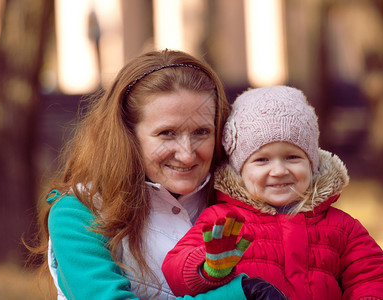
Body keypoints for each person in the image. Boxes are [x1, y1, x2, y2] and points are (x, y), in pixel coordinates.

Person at [34, 49, 281, 300]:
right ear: (128, 135)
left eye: (201, 132)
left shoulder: (246, 201)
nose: (186, 154)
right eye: (167, 133)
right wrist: (240, 295)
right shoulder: (79, 212)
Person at [162, 86, 383, 299]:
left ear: (312, 164)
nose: (278, 170)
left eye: (292, 157)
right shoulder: (223, 221)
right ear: (239, 169)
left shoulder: (342, 227)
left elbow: (376, 278)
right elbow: (175, 273)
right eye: (262, 160)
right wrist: (207, 268)